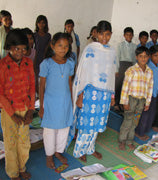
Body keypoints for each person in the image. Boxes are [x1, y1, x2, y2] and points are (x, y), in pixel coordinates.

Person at [69, 20, 116, 162]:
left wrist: (112, 95)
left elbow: (111, 74)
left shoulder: (112, 51)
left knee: (97, 124)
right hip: (90, 94)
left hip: (105, 96)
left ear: (111, 34)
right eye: (101, 34)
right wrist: (81, 95)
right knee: (86, 124)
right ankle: (79, 150)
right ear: (96, 33)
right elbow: (84, 74)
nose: (104, 38)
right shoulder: (90, 49)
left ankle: (90, 148)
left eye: (107, 34)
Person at [0, 29, 35, 180]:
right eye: (17, 48)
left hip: (25, 109)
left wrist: (30, 110)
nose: (20, 52)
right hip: (8, 112)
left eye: (24, 48)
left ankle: (22, 167)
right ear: (9, 47)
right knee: (10, 144)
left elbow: (31, 87)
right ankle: (13, 173)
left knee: (24, 142)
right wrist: (12, 114)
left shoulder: (28, 63)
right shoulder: (1, 66)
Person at [39, 32, 75, 169]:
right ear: (53, 46)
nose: (63, 49)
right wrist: (41, 107)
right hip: (50, 102)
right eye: (60, 45)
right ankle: (49, 155)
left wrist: (71, 101)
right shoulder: (46, 63)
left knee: (64, 128)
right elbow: (41, 86)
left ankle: (58, 152)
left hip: (65, 101)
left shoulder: (70, 63)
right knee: (50, 130)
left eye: (66, 46)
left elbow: (69, 83)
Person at [119, 46, 153, 150]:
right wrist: (125, 102)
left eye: (146, 56)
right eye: (141, 56)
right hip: (131, 99)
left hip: (141, 100)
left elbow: (150, 88)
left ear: (149, 57)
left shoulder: (149, 72)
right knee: (128, 120)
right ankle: (122, 141)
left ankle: (130, 141)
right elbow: (125, 86)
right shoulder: (131, 70)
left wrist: (147, 103)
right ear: (136, 57)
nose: (143, 58)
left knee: (135, 122)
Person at [135, 45, 158, 140]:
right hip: (146, 95)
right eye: (155, 55)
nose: (157, 58)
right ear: (150, 56)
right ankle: (139, 132)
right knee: (144, 115)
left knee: (151, 113)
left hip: (154, 94)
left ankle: (145, 129)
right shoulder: (148, 68)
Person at [115, 27, 136, 110]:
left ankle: (122, 104)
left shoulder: (134, 46)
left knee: (127, 86)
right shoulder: (120, 45)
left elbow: (134, 59)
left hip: (130, 66)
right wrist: (117, 70)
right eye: (127, 35)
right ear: (124, 35)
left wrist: (134, 69)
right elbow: (117, 58)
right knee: (119, 85)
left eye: (130, 35)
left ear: (132, 36)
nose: (129, 36)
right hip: (122, 65)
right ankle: (116, 103)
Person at [34, 15, 51, 95]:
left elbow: (48, 48)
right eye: (40, 23)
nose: (41, 25)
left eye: (43, 23)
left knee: (44, 77)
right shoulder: (34, 35)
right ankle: (38, 95)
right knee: (36, 77)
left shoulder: (48, 36)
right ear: (37, 24)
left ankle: (44, 94)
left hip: (45, 58)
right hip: (36, 58)